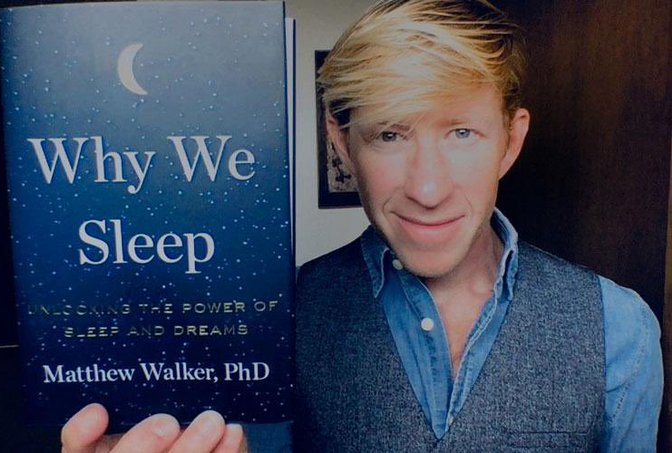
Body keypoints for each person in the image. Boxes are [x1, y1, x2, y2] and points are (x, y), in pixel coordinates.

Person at [61, 0, 663, 451]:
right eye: (390, 135)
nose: (428, 189)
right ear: (343, 144)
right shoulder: (275, 320)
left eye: (462, 133)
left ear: (511, 140)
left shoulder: (620, 330)